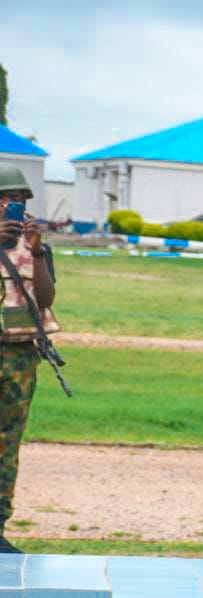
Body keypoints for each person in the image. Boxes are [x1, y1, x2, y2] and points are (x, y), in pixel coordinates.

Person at [0, 165, 55, 555]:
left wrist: (36, 251)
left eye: (18, 199)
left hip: (18, 359)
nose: (11, 206)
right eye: (5, 198)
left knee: (7, 446)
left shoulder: (35, 248)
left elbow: (47, 299)